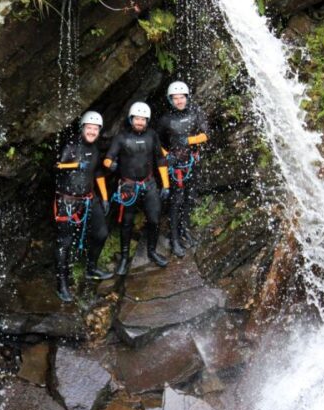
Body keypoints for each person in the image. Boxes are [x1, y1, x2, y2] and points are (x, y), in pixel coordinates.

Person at [104, 102, 170, 275]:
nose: (140, 122)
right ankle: (125, 257)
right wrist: (110, 164)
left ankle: (152, 251)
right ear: (131, 119)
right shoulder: (121, 137)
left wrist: (166, 184)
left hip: (149, 184)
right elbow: (108, 157)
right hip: (129, 185)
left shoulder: (152, 135)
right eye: (137, 119)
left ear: (147, 120)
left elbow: (161, 159)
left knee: (154, 219)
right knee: (127, 222)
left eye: (143, 119)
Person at [53, 111, 113, 303]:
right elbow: (55, 167)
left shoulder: (95, 150)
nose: (92, 132)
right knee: (65, 242)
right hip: (67, 201)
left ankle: (91, 267)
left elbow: (96, 173)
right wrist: (73, 165)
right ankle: (62, 283)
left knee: (101, 233)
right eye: (89, 128)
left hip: (89, 199)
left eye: (95, 129)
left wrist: (104, 197)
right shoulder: (70, 147)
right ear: (82, 128)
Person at [157, 81, 209, 258]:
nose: (179, 101)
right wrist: (167, 155)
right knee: (176, 201)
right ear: (170, 100)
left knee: (189, 197)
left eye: (181, 98)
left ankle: (184, 229)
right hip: (176, 167)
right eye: (175, 98)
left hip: (192, 162)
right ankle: (174, 239)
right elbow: (156, 142)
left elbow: (206, 134)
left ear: (187, 98)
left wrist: (189, 141)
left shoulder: (196, 112)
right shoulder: (165, 120)